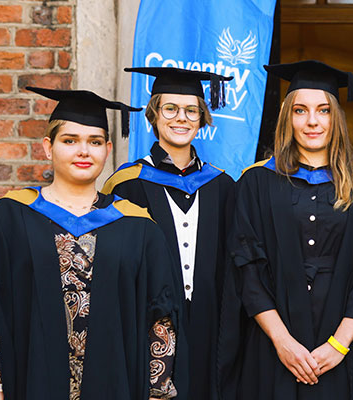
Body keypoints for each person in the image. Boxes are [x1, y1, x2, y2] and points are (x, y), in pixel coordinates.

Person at [0, 86, 182, 400]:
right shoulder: (6, 221)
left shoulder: (138, 228)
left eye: (95, 142)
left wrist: (158, 394)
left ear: (108, 149)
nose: (83, 151)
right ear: (48, 147)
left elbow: (161, 322)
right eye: (70, 140)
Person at [230, 60, 353, 400]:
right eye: (300, 110)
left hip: (347, 352)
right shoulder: (256, 183)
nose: (312, 121)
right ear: (287, 117)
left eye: (323, 110)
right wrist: (283, 342)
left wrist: (338, 345)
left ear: (337, 119)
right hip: (274, 350)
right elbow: (248, 269)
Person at [104, 66, 241, 400]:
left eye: (191, 110)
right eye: (170, 109)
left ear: (202, 118)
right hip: (147, 324)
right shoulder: (127, 185)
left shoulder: (222, 186)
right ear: (154, 114)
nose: (181, 118)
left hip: (210, 324)